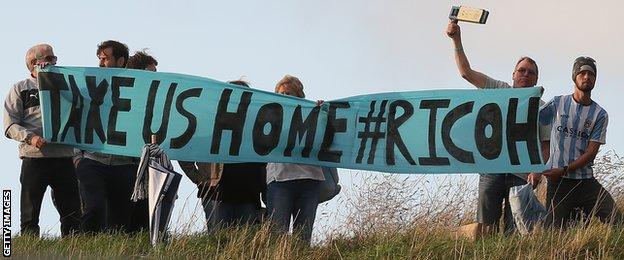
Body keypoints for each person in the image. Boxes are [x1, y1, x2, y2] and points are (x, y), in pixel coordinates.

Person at [446, 20, 550, 234]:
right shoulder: (498, 90)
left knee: (517, 230)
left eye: (531, 72)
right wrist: (456, 39)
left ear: (536, 78)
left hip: (521, 175)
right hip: (492, 168)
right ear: (513, 74)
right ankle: (459, 238)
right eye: (521, 70)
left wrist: (537, 171)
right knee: (486, 229)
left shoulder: (541, 108)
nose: (525, 74)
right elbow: (466, 72)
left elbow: (546, 145)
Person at [3, 44, 81, 237]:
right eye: (48, 58)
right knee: (30, 215)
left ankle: (74, 250)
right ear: (33, 63)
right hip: (34, 159)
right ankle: (29, 251)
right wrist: (31, 138)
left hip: (63, 157)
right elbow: (9, 125)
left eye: (54, 58)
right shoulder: (20, 89)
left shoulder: (66, 86)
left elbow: (81, 110)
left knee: (72, 213)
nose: (53, 62)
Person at [540, 57, 622, 228]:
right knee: (553, 233)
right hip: (558, 184)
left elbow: (591, 152)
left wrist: (564, 169)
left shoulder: (600, 114)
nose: (586, 77)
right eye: (582, 73)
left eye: (591, 74)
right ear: (574, 76)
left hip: (585, 182)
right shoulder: (558, 103)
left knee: (617, 220)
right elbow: (533, 121)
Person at [178, 80, 267, 231]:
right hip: (216, 195)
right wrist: (200, 180)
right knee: (218, 244)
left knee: (244, 249)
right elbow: (184, 151)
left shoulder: (256, 129)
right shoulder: (209, 126)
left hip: (249, 197)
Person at [74, 40, 139, 233]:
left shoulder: (138, 91)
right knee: (93, 208)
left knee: (120, 219)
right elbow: (75, 115)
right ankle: (84, 249)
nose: (101, 63)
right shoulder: (89, 89)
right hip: (93, 160)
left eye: (105, 58)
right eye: (100, 59)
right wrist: (77, 156)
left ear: (120, 61)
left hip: (125, 163)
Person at [266, 75, 324, 243]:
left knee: (303, 237)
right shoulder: (268, 116)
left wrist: (324, 114)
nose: (284, 97)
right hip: (280, 181)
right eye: (281, 93)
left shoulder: (314, 114)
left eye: (289, 93)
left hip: (309, 180)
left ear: (299, 96)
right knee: (277, 235)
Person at [125, 50, 159, 233]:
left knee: (147, 222)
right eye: (151, 74)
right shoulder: (124, 99)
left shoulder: (157, 102)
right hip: (127, 165)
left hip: (150, 169)